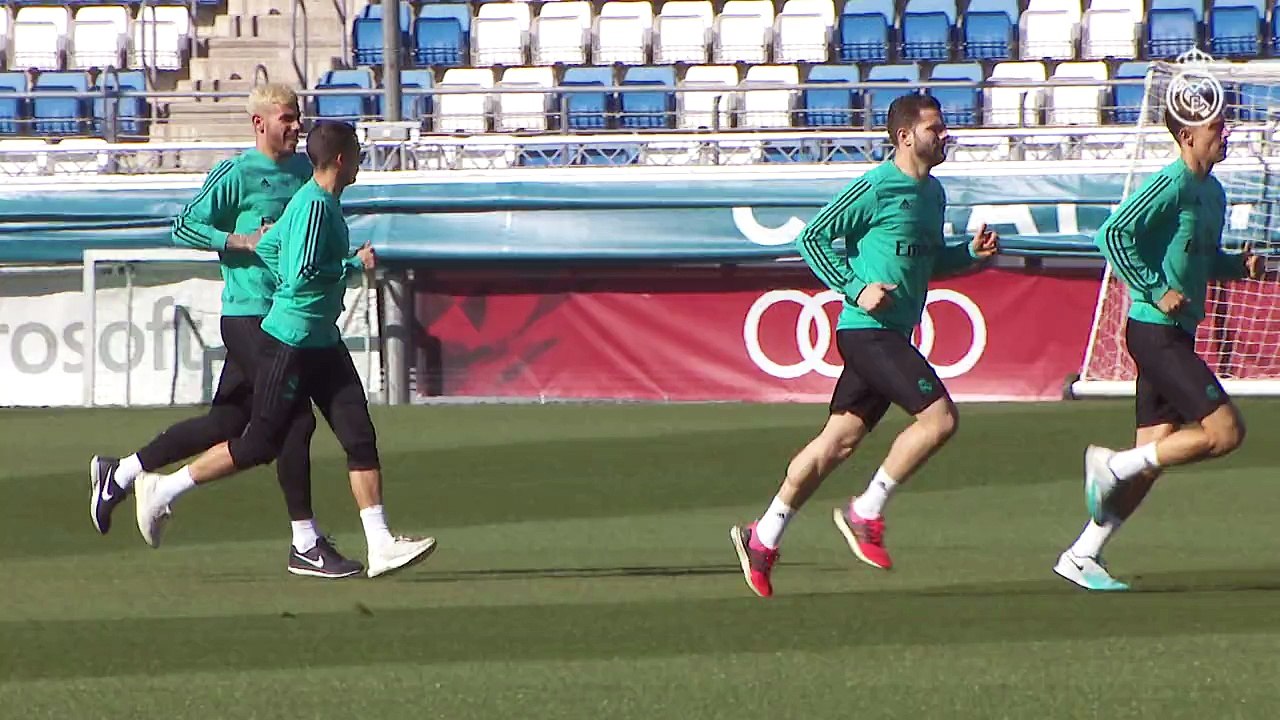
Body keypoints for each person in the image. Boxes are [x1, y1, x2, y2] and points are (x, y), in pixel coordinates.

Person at [131, 120, 437, 579]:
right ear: (340, 159)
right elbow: (302, 273)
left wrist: (311, 272)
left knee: (358, 435)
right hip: (291, 342)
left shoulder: (316, 204)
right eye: (356, 152)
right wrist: (354, 265)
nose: (360, 160)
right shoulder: (315, 207)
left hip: (322, 339)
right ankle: (164, 489)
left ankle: (380, 543)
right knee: (260, 442)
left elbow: (270, 248)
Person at [88, 84, 364, 578]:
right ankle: (305, 542)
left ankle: (123, 471)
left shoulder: (307, 173)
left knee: (227, 423)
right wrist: (235, 240)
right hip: (249, 315)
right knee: (295, 422)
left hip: (283, 317)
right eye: (286, 118)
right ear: (259, 124)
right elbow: (184, 224)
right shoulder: (238, 173)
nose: (296, 126)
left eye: (298, 117)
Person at [729, 94, 999, 598]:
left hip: (892, 332)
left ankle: (762, 538)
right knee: (939, 419)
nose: (945, 136)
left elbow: (926, 261)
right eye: (935, 129)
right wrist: (857, 289)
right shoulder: (876, 188)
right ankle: (865, 510)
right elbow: (813, 239)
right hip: (865, 331)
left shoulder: (932, 194)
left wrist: (969, 255)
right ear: (905, 137)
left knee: (838, 443)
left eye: (944, 128)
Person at [1055, 99, 1264, 592]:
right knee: (1225, 432)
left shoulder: (1213, 192)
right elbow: (1113, 235)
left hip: (1177, 331)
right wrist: (1153, 287)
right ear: (1187, 136)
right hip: (1153, 331)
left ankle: (1082, 554)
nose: (1225, 133)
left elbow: (1202, 258)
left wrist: (1238, 266)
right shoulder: (1170, 183)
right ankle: (1111, 465)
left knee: (1154, 457)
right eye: (1216, 127)